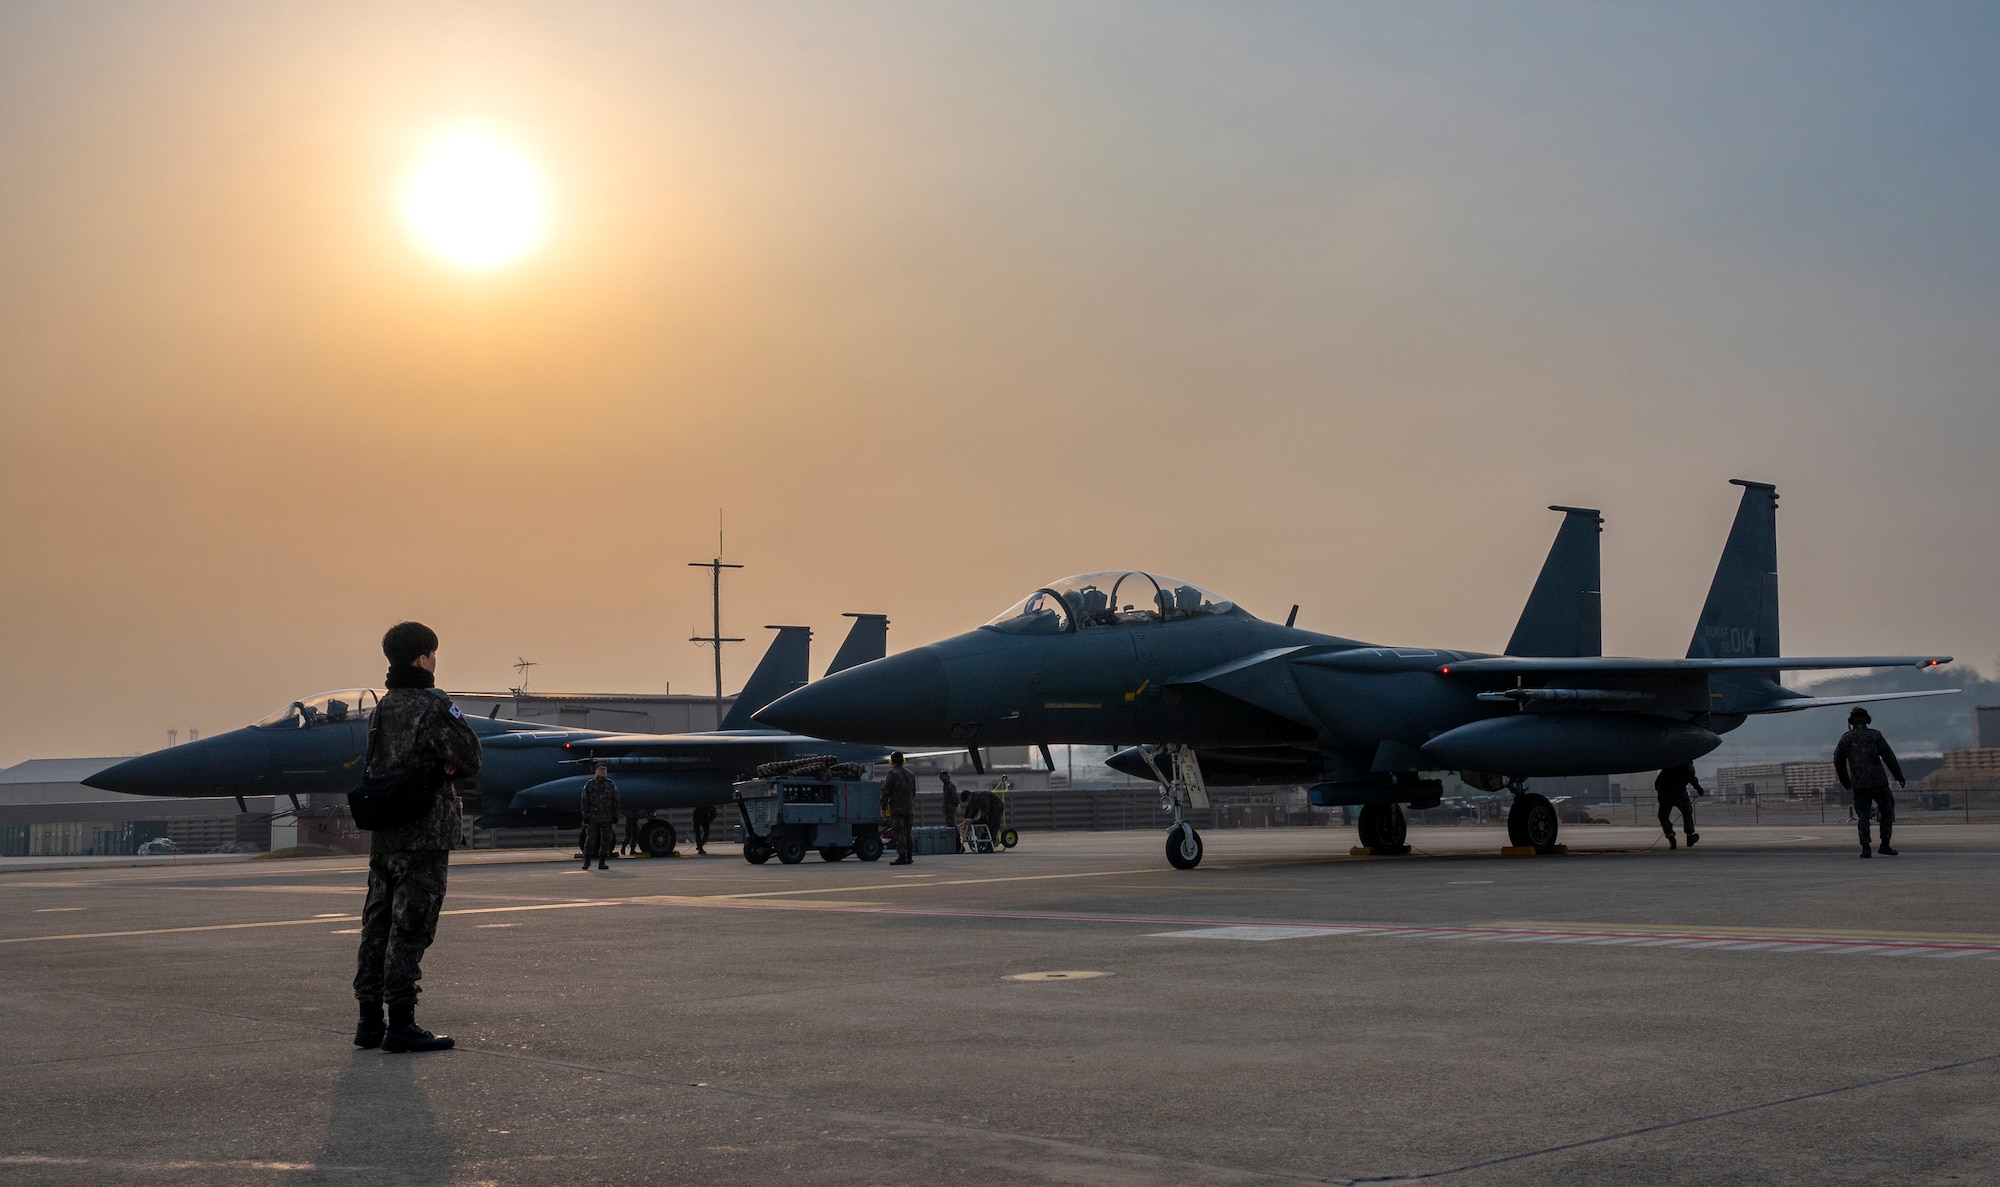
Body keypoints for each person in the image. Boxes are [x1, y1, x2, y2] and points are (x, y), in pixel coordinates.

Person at [353, 621, 481, 1055]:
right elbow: (471, 754)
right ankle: (401, 1025)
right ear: (424, 657)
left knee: (377, 925)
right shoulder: (433, 705)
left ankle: (369, 1021)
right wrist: (447, 763)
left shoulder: (381, 708)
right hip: (423, 832)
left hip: (385, 833)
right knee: (410, 927)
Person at [1835, 706, 1905, 858]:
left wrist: (1845, 781)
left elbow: (1838, 762)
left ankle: (1866, 848)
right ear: (1868, 720)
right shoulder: (1875, 736)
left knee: (1863, 816)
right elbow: (1889, 757)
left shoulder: (1846, 739)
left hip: (1859, 785)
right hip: (1878, 782)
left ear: (1851, 721)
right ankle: (1885, 844)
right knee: (1887, 810)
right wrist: (1899, 776)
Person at [1653, 762, 1704, 850]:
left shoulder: (1669, 764)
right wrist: (1699, 788)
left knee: (1663, 816)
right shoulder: (1685, 764)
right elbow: (1691, 777)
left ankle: (1670, 836)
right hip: (1679, 792)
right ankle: (1689, 836)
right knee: (1687, 812)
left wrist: (1661, 791)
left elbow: (1657, 783)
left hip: (1664, 792)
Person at [580, 764, 619, 870]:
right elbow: (584, 801)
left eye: (605, 770)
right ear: (596, 771)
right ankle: (587, 860)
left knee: (606, 840)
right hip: (593, 817)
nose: (603, 772)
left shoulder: (610, 784)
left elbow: (615, 800)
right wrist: (585, 815)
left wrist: (615, 815)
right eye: (601, 770)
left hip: (607, 817)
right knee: (590, 839)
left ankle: (602, 861)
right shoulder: (590, 784)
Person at [882, 751, 917, 865]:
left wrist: (883, 806)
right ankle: (909, 856)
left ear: (891, 761)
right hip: (909, 808)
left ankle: (901, 856)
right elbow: (914, 792)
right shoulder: (911, 774)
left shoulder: (891, 774)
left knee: (899, 832)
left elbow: (886, 792)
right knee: (908, 832)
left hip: (897, 809)